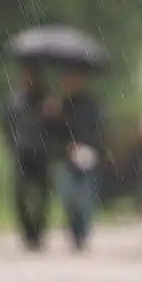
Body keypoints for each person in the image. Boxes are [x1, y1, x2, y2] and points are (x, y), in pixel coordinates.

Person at [45, 67, 105, 251]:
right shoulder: (59, 106)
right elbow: (53, 133)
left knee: (85, 198)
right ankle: (73, 230)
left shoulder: (92, 106)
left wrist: (85, 144)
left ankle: (82, 233)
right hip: (66, 158)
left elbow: (99, 132)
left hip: (89, 158)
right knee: (69, 196)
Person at [1, 61, 51, 250]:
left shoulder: (47, 101)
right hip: (22, 152)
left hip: (42, 152)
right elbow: (6, 124)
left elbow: (56, 128)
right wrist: (10, 144)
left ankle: (39, 230)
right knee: (21, 193)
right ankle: (27, 230)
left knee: (42, 194)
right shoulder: (15, 101)